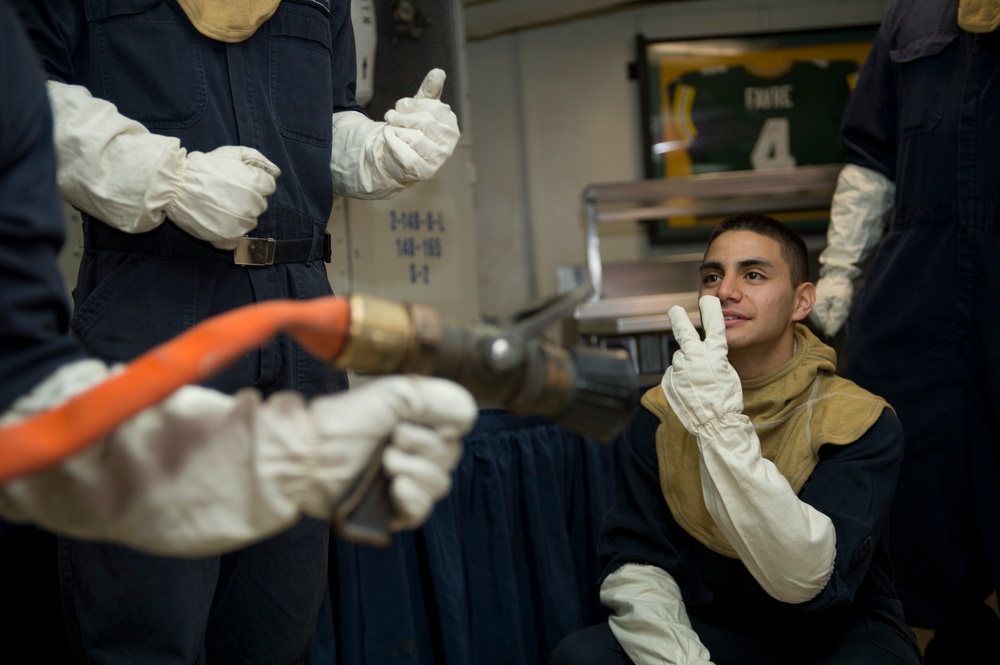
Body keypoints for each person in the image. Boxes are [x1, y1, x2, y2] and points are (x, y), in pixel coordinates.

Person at [8, 0, 462, 662]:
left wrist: (378, 149)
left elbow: (316, 125)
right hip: (158, 302)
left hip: (303, 312)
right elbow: (24, 91)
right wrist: (167, 178)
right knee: (147, 624)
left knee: (278, 629)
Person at [550, 213, 921, 665]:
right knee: (583, 655)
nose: (726, 291)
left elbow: (806, 578)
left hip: (843, 627)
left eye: (754, 274)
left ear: (802, 301)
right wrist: (681, 660)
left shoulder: (858, 418)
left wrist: (719, 424)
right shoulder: (663, 413)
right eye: (712, 276)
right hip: (733, 627)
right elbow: (638, 562)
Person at [809, 0, 1000, 659]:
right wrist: (838, 270)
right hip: (918, 285)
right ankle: (913, 635)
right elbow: (871, 158)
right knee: (899, 452)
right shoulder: (911, 19)